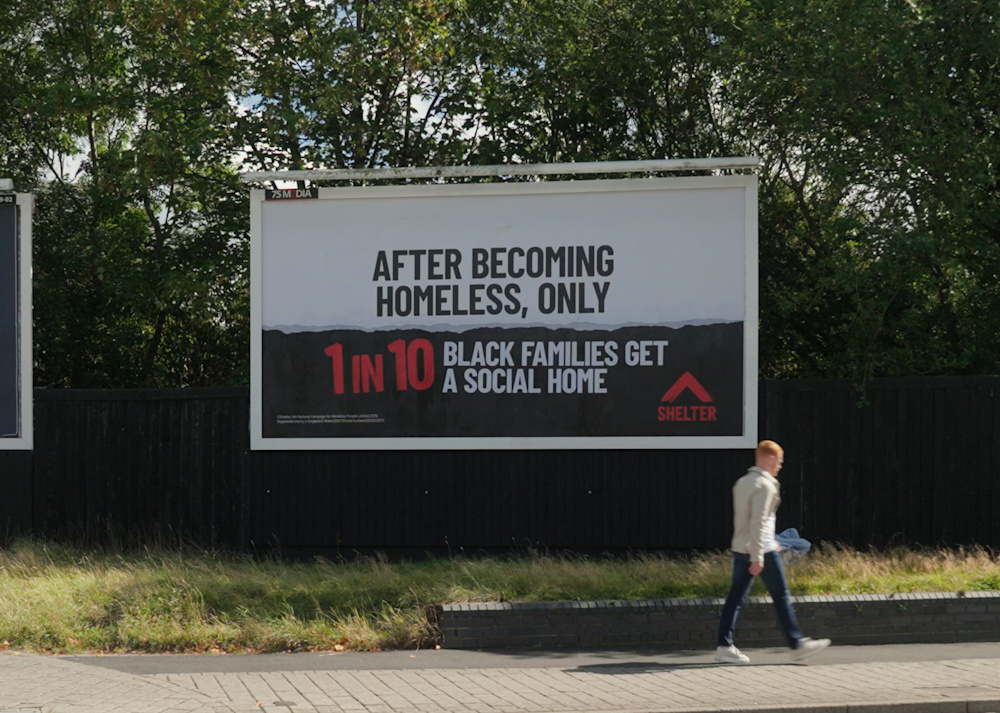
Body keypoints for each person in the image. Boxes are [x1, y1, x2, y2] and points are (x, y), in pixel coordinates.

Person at [715, 440, 831, 664]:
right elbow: (759, 521)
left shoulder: (742, 482)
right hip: (762, 551)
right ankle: (797, 644)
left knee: (735, 599)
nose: (780, 465)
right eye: (779, 461)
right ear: (769, 458)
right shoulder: (766, 485)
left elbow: (746, 520)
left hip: (742, 548)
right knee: (781, 596)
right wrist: (759, 554)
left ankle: (724, 646)